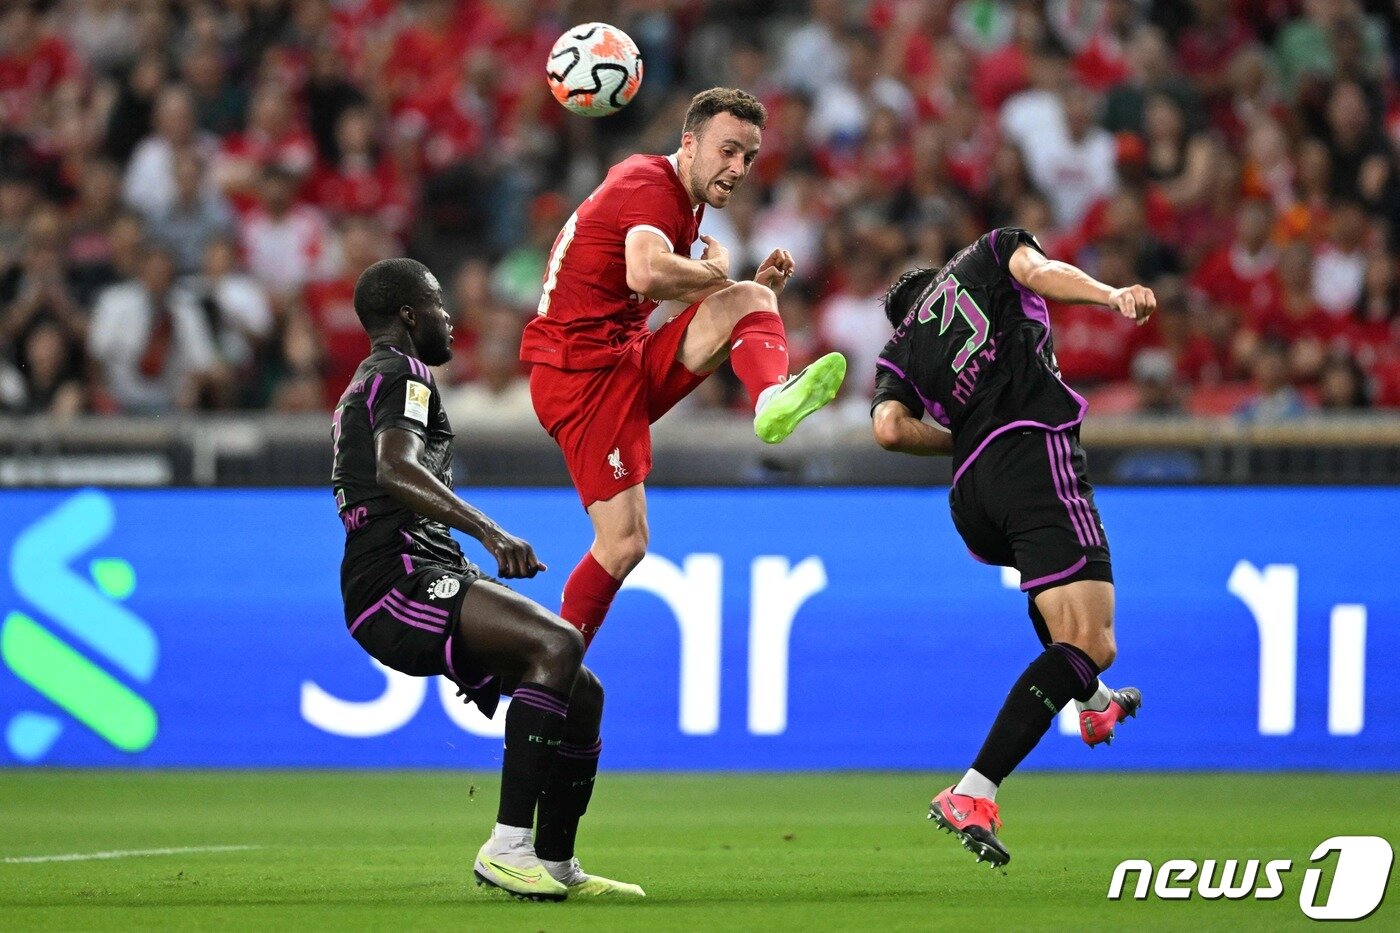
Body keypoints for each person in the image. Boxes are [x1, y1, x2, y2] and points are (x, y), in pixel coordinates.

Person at [331, 258, 642, 900]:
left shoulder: (372, 378)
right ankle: (507, 845)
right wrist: (491, 531)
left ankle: (554, 863)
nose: (451, 319)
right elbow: (395, 469)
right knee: (556, 644)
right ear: (410, 316)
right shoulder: (402, 372)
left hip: (424, 569)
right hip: (397, 580)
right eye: (439, 305)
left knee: (581, 693)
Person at [520, 87, 846, 649]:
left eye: (747, 156)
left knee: (750, 301)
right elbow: (644, 273)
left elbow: (654, 292)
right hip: (579, 377)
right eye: (727, 151)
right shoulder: (648, 183)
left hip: (623, 357)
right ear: (689, 143)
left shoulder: (685, 200)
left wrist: (735, 298)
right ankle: (551, 659)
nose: (738, 168)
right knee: (623, 543)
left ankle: (769, 397)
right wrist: (719, 271)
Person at [870, 228, 1151, 867]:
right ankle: (975, 789)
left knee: (1059, 609)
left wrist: (964, 436)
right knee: (1093, 641)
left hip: (973, 500)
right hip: (1030, 449)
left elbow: (887, 431)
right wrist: (1110, 296)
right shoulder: (985, 256)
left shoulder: (899, 349)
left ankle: (1095, 703)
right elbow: (1038, 271)